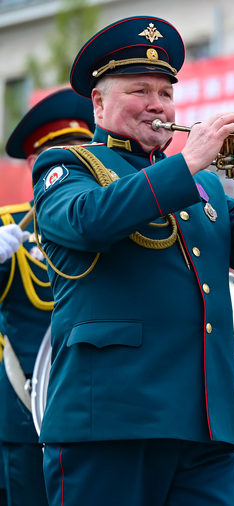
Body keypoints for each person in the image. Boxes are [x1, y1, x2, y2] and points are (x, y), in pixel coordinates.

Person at [30, 16, 234, 506]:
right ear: (100, 102)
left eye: (166, 93)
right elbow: (89, 222)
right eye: (140, 90)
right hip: (112, 420)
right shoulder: (68, 166)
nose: (158, 104)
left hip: (207, 423)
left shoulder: (204, 185)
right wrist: (187, 163)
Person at [0, 88, 95, 506]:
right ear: (37, 164)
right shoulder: (8, 228)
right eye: (59, 152)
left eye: (83, 149)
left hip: (97, 405)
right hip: (27, 414)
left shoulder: (112, 219)